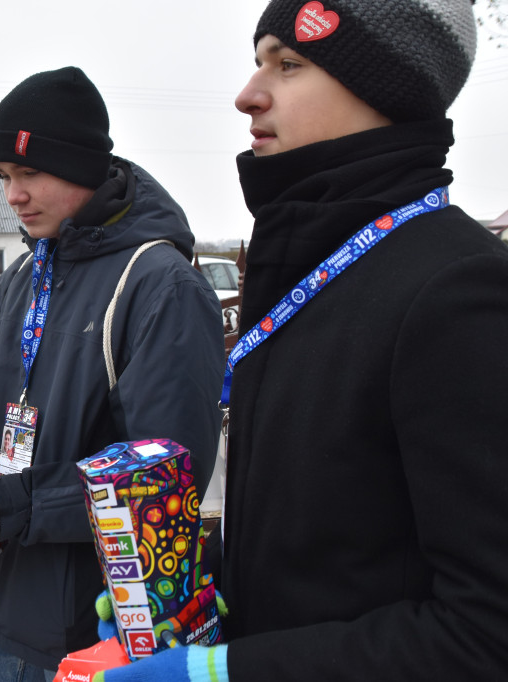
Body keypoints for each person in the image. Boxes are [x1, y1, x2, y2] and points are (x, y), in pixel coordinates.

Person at [87, 1, 508, 680]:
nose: (248, 94)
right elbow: (324, 523)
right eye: (259, 62)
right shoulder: (311, 269)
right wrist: (197, 595)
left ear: (387, 92)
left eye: (290, 64)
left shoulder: (459, 292)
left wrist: (229, 672)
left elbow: (487, 635)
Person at [0, 66, 225, 679]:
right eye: (4, 177)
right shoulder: (23, 278)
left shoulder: (160, 285)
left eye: (30, 173)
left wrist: (7, 510)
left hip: (85, 636)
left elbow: (162, 481)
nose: (13, 196)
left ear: (82, 166)